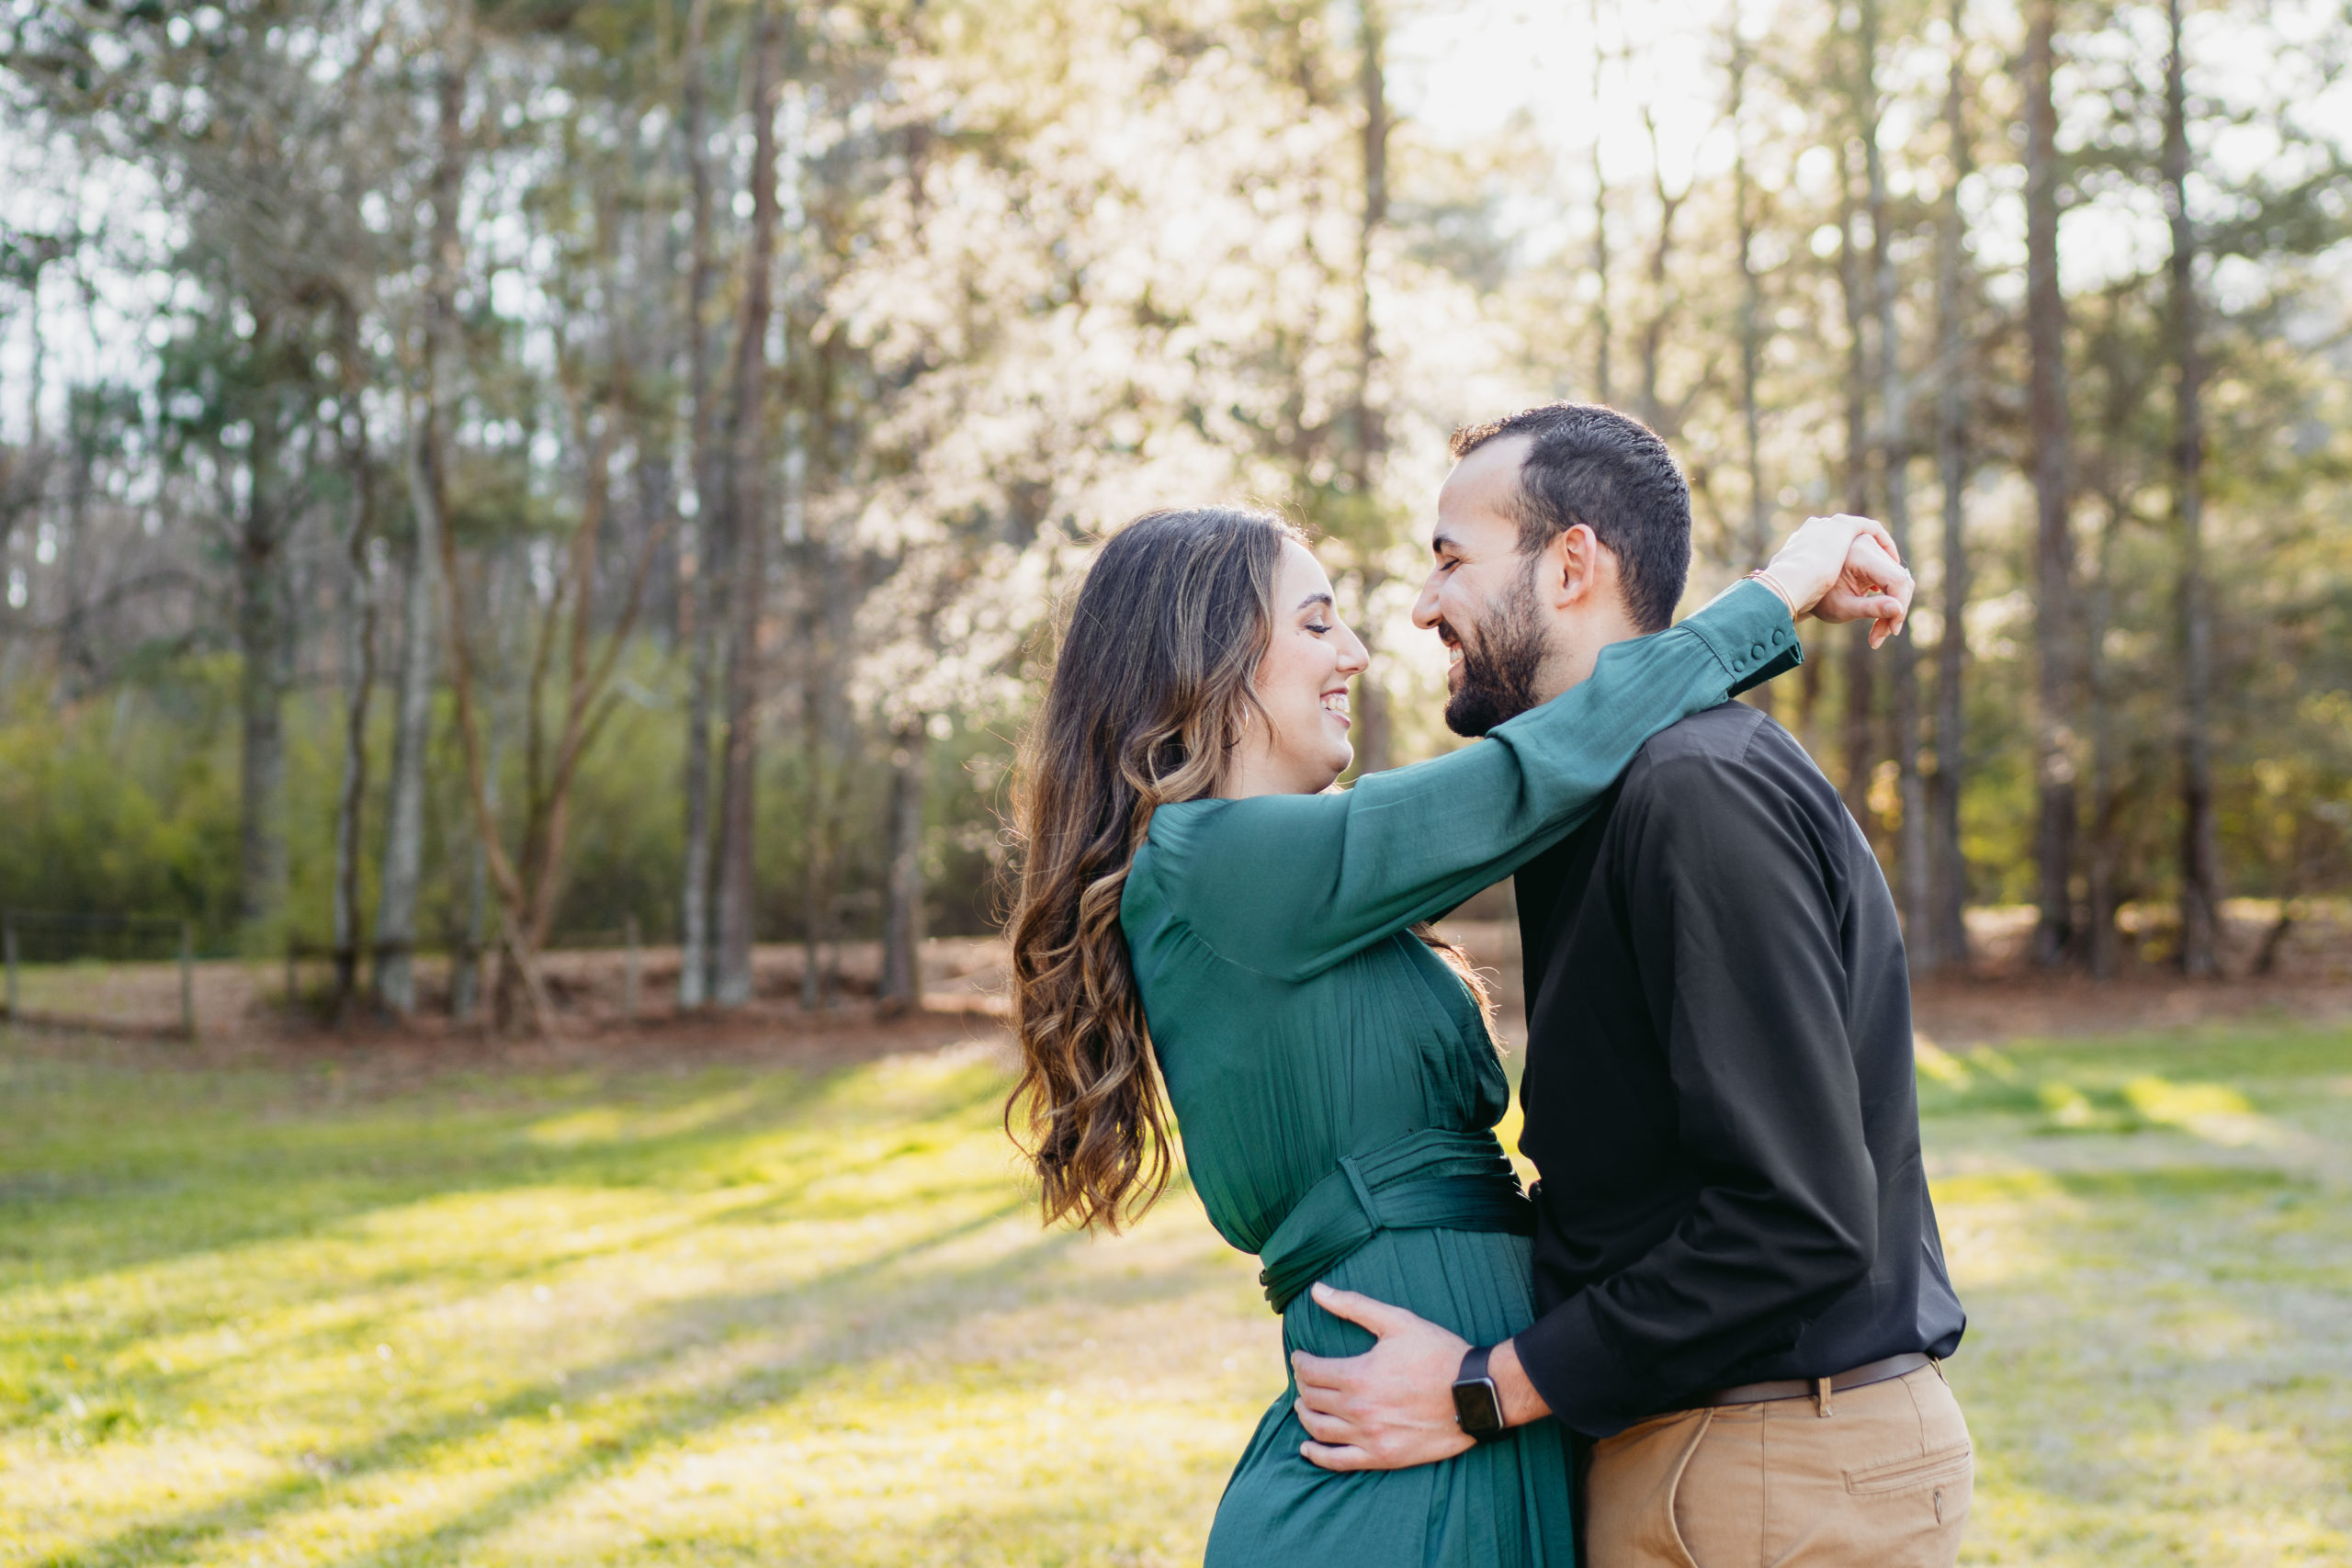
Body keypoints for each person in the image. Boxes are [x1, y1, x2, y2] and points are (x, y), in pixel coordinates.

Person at [1003, 432, 1913, 1566]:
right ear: (1207, 652)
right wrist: (1775, 594)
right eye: (1317, 619)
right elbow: (1541, 767)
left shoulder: (1311, 879)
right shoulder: (1210, 862)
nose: (1365, 652)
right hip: (1397, 1451)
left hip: (1468, 1417)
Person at [1286, 403, 1972, 1568]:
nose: (1417, 606)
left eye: (1451, 558)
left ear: (1569, 565)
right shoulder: (1606, 794)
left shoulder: (1693, 791)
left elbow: (1791, 1220)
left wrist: (1480, 1389)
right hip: (1709, 1455)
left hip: (1769, 1468)